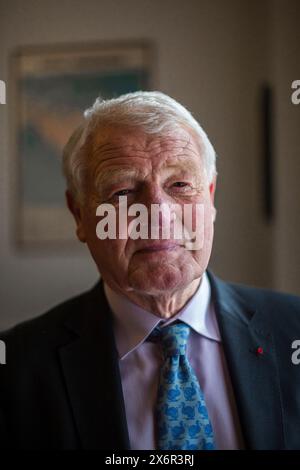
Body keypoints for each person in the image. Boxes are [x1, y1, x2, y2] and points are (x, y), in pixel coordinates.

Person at [1, 91, 300, 450]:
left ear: (210, 196)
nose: (158, 215)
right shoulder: (14, 370)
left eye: (180, 185)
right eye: (123, 191)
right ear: (79, 214)